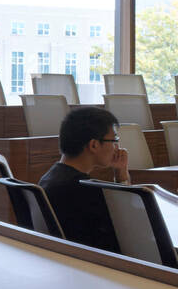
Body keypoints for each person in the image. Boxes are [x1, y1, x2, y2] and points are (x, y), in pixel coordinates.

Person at [37, 107, 128, 252]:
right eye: (114, 140)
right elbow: (128, 226)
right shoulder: (83, 188)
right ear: (94, 145)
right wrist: (122, 176)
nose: (116, 147)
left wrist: (120, 171)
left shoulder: (50, 177)